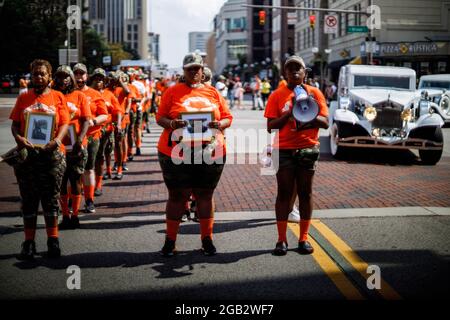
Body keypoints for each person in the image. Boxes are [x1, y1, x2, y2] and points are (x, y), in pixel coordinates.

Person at [156, 52, 233, 257]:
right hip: (176, 151)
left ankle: (207, 239)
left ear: (202, 70)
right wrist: (172, 124)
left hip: (210, 150)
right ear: (184, 71)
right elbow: (160, 117)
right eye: (189, 69)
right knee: (177, 196)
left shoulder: (213, 93)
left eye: (196, 68)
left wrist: (219, 124)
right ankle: (170, 241)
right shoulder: (172, 92)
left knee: (204, 195)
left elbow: (227, 117)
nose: (193, 72)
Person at [264, 55, 329, 256]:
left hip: (307, 147)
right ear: (284, 73)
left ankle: (303, 238)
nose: (294, 72)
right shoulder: (276, 95)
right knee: (284, 193)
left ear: (305, 72)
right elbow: (270, 126)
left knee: (305, 193)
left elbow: (325, 122)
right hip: (283, 149)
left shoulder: (315, 92)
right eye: (290, 69)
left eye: (298, 68)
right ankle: (281, 239)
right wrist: (289, 114)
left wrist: (309, 116)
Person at [10, 59, 70, 259]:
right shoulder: (24, 98)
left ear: (49, 76)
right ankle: (28, 242)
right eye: (35, 74)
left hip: (51, 155)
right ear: (31, 76)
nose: (38, 77)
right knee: (29, 200)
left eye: (42, 74)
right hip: (28, 157)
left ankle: (53, 239)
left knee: (50, 199)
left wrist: (57, 141)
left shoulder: (58, 97)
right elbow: (15, 125)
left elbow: (63, 124)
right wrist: (19, 139)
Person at [52, 65, 91, 230]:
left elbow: (86, 121)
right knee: (60, 182)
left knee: (75, 181)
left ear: (72, 79)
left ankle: (75, 215)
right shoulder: (52, 95)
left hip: (75, 144)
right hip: (57, 144)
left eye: (66, 76)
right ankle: (65, 216)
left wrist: (80, 140)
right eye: (59, 76)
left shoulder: (79, 96)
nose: (63, 79)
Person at [73, 63, 108, 214]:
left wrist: (93, 121)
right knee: (73, 171)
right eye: (76, 74)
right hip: (72, 137)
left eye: (82, 74)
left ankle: (89, 200)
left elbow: (104, 114)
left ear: (87, 76)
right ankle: (71, 201)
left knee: (88, 169)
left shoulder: (94, 94)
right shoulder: (66, 93)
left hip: (92, 136)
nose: (79, 77)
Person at [91, 68, 122, 196]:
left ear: (104, 81)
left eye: (101, 79)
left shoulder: (109, 94)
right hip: (91, 131)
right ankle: (87, 185)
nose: (98, 81)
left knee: (101, 156)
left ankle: (98, 185)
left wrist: (119, 124)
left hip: (107, 129)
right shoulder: (87, 93)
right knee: (90, 159)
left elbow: (118, 111)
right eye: (96, 78)